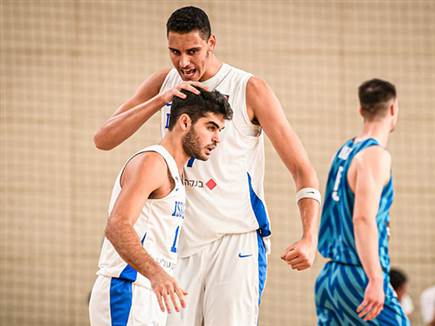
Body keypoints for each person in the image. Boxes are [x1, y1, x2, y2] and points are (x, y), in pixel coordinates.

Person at [93, 6, 320, 325]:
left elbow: (302, 168)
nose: (183, 62)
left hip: (235, 240)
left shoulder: (249, 87)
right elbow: (103, 138)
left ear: (211, 42)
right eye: (174, 51)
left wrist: (309, 237)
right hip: (180, 243)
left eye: (193, 51)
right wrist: (160, 100)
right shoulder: (165, 82)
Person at [89, 89, 232, 326]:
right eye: (211, 127)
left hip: (149, 295)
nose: (217, 138)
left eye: (219, 130)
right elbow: (117, 226)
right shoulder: (153, 162)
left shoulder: (174, 172)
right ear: (185, 122)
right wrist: (157, 275)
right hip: (126, 290)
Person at [315, 79, 409, 325]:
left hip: (329, 278)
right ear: (392, 109)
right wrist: (376, 278)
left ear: (361, 110)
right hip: (359, 275)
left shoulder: (344, 151)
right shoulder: (375, 155)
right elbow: (363, 218)